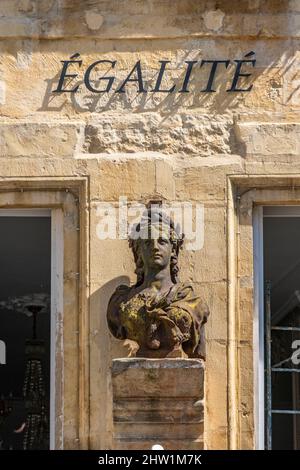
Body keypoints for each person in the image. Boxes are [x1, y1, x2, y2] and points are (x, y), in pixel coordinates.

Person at [107, 207, 209, 358]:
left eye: (162, 241)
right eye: (147, 242)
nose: (155, 247)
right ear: (139, 251)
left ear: (173, 250)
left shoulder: (191, 301)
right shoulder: (121, 301)